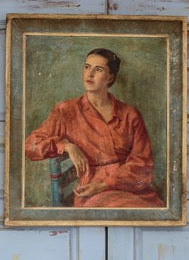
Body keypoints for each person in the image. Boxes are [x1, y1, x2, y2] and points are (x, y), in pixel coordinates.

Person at [24, 47, 165, 208]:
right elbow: (30, 146)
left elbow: (143, 165)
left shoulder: (129, 114)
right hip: (92, 191)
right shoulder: (66, 111)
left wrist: (107, 183)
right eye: (87, 67)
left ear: (110, 77)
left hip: (132, 188)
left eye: (98, 69)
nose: (89, 74)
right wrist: (66, 146)